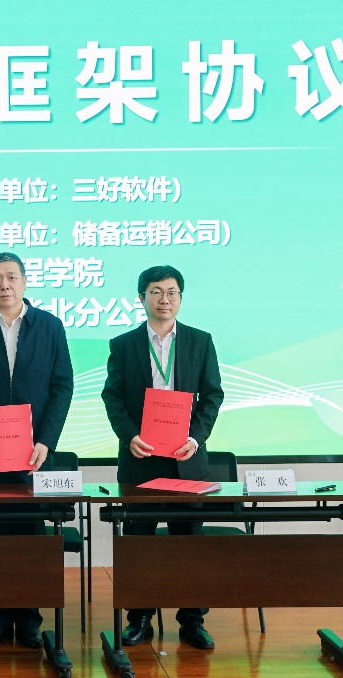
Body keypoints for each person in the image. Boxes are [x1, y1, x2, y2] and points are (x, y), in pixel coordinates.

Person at [0, 251, 73, 649]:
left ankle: (30, 619)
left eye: (11, 277)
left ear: (24, 281)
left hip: (34, 453)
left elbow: (62, 386)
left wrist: (46, 441)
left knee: (32, 536)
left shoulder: (50, 326)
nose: (4, 285)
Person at [100, 265, 224, 650]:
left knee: (189, 542)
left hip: (186, 457)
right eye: (156, 292)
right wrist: (129, 436)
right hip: (142, 456)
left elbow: (213, 395)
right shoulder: (123, 344)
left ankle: (192, 619)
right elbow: (112, 396)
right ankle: (139, 618)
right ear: (142, 298)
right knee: (139, 542)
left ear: (180, 298)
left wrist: (196, 438)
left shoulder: (200, 342)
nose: (164, 299)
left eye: (172, 292)